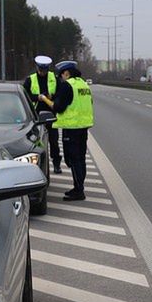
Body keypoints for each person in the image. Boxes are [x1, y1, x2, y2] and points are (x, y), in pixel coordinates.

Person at [53, 60, 93, 201]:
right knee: (80, 158)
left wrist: (47, 100)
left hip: (71, 128)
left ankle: (79, 190)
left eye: (61, 75)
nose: (60, 78)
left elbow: (59, 107)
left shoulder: (67, 85)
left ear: (66, 73)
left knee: (72, 159)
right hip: (83, 127)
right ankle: (79, 187)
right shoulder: (83, 84)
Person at [26, 55, 62, 174]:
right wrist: (38, 97)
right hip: (35, 116)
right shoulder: (30, 79)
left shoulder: (54, 78)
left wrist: (52, 97)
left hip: (51, 115)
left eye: (45, 70)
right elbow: (25, 96)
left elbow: (60, 94)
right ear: (37, 68)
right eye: (40, 70)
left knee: (54, 141)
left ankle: (56, 164)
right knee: (35, 141)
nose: (42, 72)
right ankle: (35, 165)